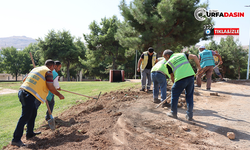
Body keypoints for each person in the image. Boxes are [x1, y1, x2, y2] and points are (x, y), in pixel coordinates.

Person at [11, 60, 64, 147]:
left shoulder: (36, 69)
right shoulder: (48, 72)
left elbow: (25, 79)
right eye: (54, 67)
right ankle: (16, 139)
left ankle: (30, 133)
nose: (53, 69)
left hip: (23, 91)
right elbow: (51, 87)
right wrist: (59, 94)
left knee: (33, 112)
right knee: (25, 116)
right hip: (28, 94)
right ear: (51, 66)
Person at [163, 50, 201, 121]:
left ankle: (173, 113)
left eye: (164, 57)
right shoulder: (182, 55)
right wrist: (198, 67)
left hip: (180, 79)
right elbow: (195, 57)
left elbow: (172, 76)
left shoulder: (168, 62)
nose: (165, 59)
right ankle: (189, 116)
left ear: (167, 55)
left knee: (174, 95)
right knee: (189, 96)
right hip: (190, 77)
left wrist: (175, 85)